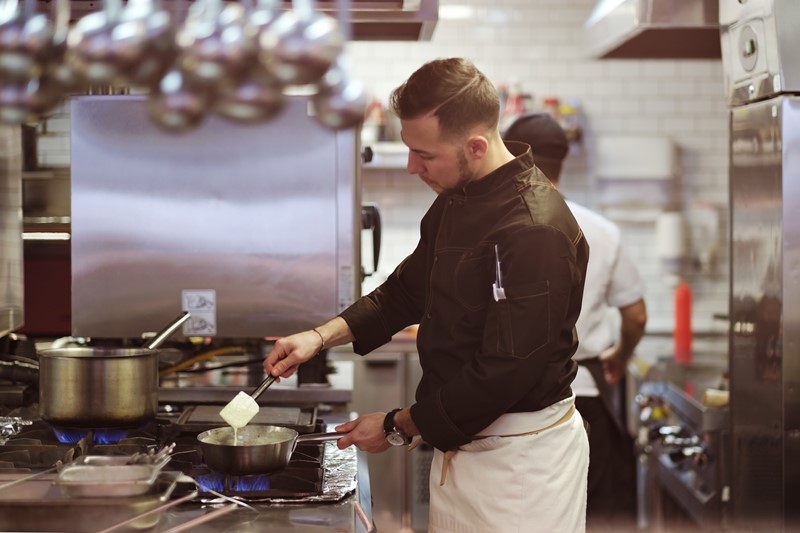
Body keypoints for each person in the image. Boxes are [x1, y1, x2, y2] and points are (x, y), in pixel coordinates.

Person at [264, 58, 590, 533]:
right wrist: (318, 337)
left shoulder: (534, 229)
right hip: (466, 448)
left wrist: (398, 425)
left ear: (476, 146)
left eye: (425, 154)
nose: (414, 166)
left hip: (520, 466)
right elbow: (404, 291)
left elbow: (504, 373)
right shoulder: (457, 200)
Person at [504, 113, 648, 531]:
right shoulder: (600, 228)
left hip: (517, 406)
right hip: (585, 396)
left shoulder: (502, 225)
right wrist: (620, 356)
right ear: (562, 161)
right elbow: (636, 315)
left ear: (513, 153)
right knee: (596, 515)